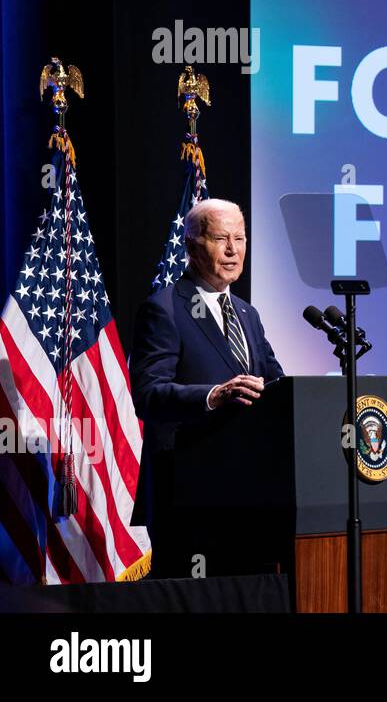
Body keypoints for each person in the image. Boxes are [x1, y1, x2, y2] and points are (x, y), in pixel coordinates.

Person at [130, 198, 284, 577]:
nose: (233, 250)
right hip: (187, 492)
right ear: (193, 245)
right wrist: (215, 395)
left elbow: (276, 383)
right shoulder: (164, 308)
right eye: (221, 238)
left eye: (240, 238)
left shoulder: (248, 314)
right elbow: (148, 394)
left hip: (248, 492)